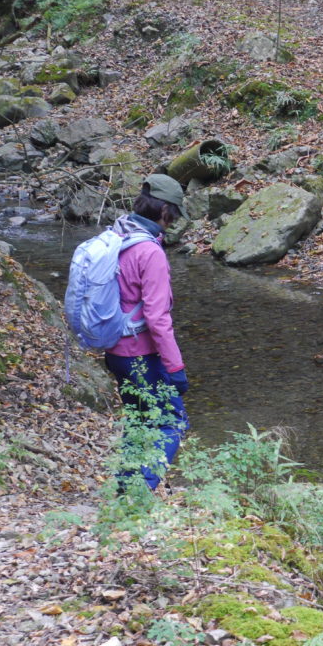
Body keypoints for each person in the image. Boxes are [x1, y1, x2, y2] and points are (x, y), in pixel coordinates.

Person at [105, 174, 190, 490]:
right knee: (171, 424)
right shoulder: (150, 252)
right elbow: (157, 319)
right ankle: (138, 496)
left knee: (139, 421)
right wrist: (176, 368)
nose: (173, 223)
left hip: (115, 352)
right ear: (165, 211)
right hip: (141, 355)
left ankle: (125, 487)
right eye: (175, 215)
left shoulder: (118, 234)